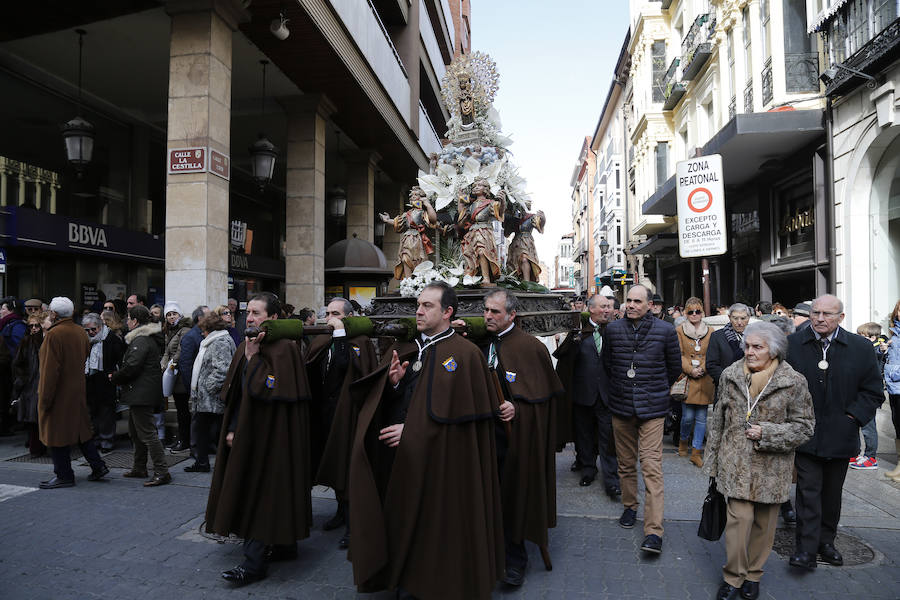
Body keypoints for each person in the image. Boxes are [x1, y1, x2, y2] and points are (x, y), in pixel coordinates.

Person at [348, 281, 504, 599]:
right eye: (418, 305)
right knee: (402, 521)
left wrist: (413, 430)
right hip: (403, 462)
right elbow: (401, 402)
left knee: (434, 528)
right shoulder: (410, 349)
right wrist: (392, 386)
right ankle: (399, 577)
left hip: (443, 465)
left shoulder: (466, 354)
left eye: (427, 306)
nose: (418, 311)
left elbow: (466, 419)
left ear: (447, 312)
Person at [206, 292, 313, 586]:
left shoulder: (282, 349)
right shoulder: (249, 345)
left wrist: (253, 361)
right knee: (262, 491)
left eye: (256, 313)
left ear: (274, 317)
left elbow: (271, 389)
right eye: (248, 312)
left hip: (271, 438)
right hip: (249, 432)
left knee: (261, 494)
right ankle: (283, 544)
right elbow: (237, 395)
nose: (249, 318)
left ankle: (253, 565)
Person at [704, 322, 814, 600]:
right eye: (747, 346)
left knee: (765, 526)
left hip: (772, 467)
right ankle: (733, 577)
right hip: (736, 462)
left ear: (773, 350)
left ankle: (753, 575)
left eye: (757, 347)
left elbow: (805, 426)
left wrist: (768, 433)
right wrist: (713, 463)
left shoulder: (794, 381)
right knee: (739, 521)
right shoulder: (731, 374)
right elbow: (718, 421)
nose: (749, 352)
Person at [786, 294, 883, 570]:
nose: (819, 318)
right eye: (815, 313)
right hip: (806, 433)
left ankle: (826, 543)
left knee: (832, 494)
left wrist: (852, 418)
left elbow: (873, 392)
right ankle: (805, 549)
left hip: (842, 434)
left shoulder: (861, 347)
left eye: (827, 314)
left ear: (841, 318)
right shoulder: (793, 345)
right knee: (808, 491)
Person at [482, 289, 562, 587]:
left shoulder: (530, 348)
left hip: (517, 441)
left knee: (514, 498)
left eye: (495, 312)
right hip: (486, 439)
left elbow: (545, 399)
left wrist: (518, 408)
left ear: (512, 315)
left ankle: (515, 561)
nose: (488, 316)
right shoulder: (485, 343)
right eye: (486, 310)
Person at [601, 284, 681, 555]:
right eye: (629, 301)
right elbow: (608, 365)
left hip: (653, 409)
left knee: (651, 466)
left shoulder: (666, 331)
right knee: (625, 463)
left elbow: (674, 368)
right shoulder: (612, 330)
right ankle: (629, 506)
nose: (631, 305)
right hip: (621, 407)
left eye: (637, 301)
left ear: (650, 305)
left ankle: (654, 531)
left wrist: (656, 390)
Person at [305, 297, 376, 549]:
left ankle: (353, 522)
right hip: (325, 411)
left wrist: (339, 335)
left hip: (349, 413)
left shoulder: (359, 342)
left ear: (348, 317)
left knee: (348, 465)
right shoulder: (321, 340)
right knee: (333, 463)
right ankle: (340, 511)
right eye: (327, 313)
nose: (329, 318)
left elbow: (346, 364)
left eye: (336, 313)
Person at [37, 297, 109, 488]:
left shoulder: (54, 335)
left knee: (56, 434)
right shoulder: (79, 331)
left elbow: (49, 372)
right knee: (81, 431)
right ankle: (97, 465)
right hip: (77, 390)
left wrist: (44, 399)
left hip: (59, 393)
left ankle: (64, 474)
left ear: (53, 314)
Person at [554, 294, 620, 498]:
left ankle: (611, 479)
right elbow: (565, 363)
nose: (608, 310)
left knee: (608, 438)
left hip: (608, 397)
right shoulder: (578, 333)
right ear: (591, 309)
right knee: (583, 435)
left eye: (609, 306)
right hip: (582, 395)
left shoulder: (616, 332)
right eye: (603, 306)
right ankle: (588, 469)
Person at [110, 305, 169, 486]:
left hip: (142, 394)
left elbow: (132, 366)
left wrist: (115, 377)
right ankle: (139, 467)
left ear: (135, 321)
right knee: (136, 433)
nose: (127, 321)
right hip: (140, 392)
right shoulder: (143, 338)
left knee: (148, 434)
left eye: (128, 318)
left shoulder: (141, 340)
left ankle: (162, 471)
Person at [185, 311, 236, 472]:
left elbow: (222, 370)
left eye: (204, 329)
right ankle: (203, 462)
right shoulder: (215, 340)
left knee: (210, 431)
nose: (202, 332)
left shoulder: (219, 342)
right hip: (208, 398)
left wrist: (208, 387)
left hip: (211, 398)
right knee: (205, 430)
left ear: (211, 328)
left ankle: (210, 463)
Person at [675, 297, 715, 468]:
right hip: (687, 377)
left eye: (697, 311)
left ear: (702, 313)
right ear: (685, 313)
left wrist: (703, 369)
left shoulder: (711, 331)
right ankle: (683, 441)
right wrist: (690, 370)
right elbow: (679, 353)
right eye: (690, 311)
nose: (694, 314)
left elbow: (712, 353)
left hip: (705, 378)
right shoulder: (679, 330)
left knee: (701, 418)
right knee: (687, 417)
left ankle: (696, 451)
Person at [83, 312, 126, 453]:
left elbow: (120, 359)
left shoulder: (112, 339)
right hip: (90, 380)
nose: (90, 332)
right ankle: (95, 439)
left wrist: (115, 375)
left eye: (93, 329)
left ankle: (107, 440)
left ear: (100, 327)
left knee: (107, 412)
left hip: (107, 380)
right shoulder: (85, 341)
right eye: (87, 330)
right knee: (93, 412)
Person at [379, 186, 439, 280]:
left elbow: (433, 219)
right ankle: (407, 281)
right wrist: (387, 220)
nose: (413, 197)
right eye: (412, 195)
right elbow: (398, 222)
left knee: (418, 260)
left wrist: (427, 204)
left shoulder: (423, 213)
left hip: (418, 240)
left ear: (421, 197)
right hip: (407, 239)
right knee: (405, 258)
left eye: (416, 195)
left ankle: (418, 281)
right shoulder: (407, 214)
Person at [851, 322, 887, 470]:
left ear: (873, 338)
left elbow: (880, 351)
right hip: (858, 391)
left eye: (862, 336)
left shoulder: (875, 349)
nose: (859, 338)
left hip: (869, 394)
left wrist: (883, 346)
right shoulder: (864, 349)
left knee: (868, 426)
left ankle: (871, 457)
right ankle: (858, 453)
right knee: (857, 424)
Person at [458, 178, 505, 283]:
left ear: (486, 189)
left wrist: (503, 202)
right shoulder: (471, 205)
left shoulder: (490, 203)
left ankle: (486, 277)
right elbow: (461, 221)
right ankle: (474, 275)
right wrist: (460, 202)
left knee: (482, 252)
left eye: (479, 185)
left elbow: (499, 214)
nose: (476, 187)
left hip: (484, 231)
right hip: (472, 233)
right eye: (474, 186)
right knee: (471, 254)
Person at [13, 312, 47, 457]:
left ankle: (45, 446)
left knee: (43, 418)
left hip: (43, 383)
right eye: (31, 325)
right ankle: (35, 449)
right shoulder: (26, 341)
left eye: (36, 325)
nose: (33, 328)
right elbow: (18, 363)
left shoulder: (46, 340)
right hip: (30, 385)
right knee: (32, 420)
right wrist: (24, 379)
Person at [161, 302, 192, 452]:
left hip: (180, 374)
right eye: (168, 314)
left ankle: (184, 440)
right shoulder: (171, 330)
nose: (171, 316)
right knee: (180, 409)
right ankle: (181, 439)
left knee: (182, 409)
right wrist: (163, 364)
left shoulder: (184, 329)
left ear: (180, 314)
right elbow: (167, 351)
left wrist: (169, 365)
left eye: (174, 313)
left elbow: (180, 351)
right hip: (173, 373)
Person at [179, 306, 210, 455]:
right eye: (209, 315)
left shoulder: (207, 334)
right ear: (200, 318)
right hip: (196, 386)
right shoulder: (191, 337)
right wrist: (192, 387)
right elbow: (185, 365)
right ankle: (195, 448)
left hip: (205, 386)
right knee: (196, 418)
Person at [707, 304, 751, 392]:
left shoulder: (755, 336)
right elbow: (711, 365)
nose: (739, 322)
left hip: (750, 388)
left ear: (748, 318)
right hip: (725, 388)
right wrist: (729, 380)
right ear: (729, 317)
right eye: (735, 318)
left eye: (743, 318)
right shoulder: (717, 336)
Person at [0, 297, 26, 435]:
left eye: (3, 309)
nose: (0, 311)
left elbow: (19, 349)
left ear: (10, 310)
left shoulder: (16, 326)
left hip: (9, 369)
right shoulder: (6, 324)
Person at [884, 300, 900, 482]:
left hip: (896, 381)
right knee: (898, 427)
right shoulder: (895, 333)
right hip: (894, 387)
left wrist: (892, 371)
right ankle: (899, 465)